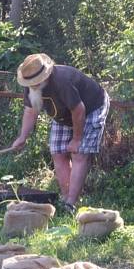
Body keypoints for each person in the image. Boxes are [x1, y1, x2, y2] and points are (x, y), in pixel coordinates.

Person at [11, 53, 110, 213]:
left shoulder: (62, 81)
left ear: (44, 77)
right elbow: (30, 111)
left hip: (91, 108)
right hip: (64, 115)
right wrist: (23, 136)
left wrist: (77, 139)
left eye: (34, 82)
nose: (32, 85)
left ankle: (71, 203)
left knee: (79, 154)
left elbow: (79, 111)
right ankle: (66, 199)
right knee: (57, 152)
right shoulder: (30, 83)